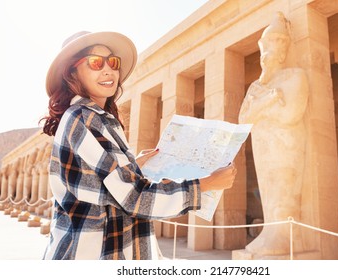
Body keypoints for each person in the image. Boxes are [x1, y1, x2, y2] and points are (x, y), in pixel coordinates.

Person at [41, 31, 236, 260]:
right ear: (72, 73)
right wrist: (206, 184)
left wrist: (134, 167)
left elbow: (103, 187)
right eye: (95, 62)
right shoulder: (84, 118)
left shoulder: (97, 118)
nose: (108, 69)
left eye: (113, 62)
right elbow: (135, 199)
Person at [239, 12, 309, 257]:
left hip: (286, 144)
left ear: (284, 49)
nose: (268, 54)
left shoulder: (295, 76)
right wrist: (268, 99)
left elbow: (290, 114)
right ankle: (272, 232)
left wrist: (263, 108)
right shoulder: (258, 86)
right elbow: (243, 120)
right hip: (263, 145)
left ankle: (284, 236)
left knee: (284, 189)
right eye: (266, 47)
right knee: (268, 191)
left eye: (277, 44)